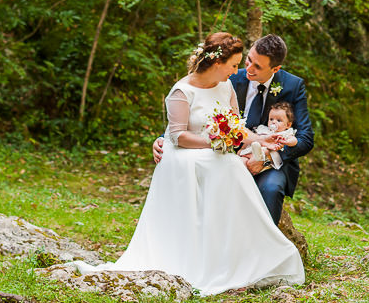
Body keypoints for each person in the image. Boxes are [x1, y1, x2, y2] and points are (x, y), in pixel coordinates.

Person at [75, 32, 304, 296]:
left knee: (230, 166)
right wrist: (215, 143)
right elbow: (177, 136)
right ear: (218, 64)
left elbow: (236, 130)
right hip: (183, 154)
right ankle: (204, 257)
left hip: (214, 150)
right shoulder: (181, 91)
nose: (238, 70)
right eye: (234, 64)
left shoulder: (225, 86)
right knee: (224, 164)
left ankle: (238, 254)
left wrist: (264, 139)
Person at [155, 34, 314, 225]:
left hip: (271, 160)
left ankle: (261, 247)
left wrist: (267, 156)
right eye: (248, 60)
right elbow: (195, 112)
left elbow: (306, 139)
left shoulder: (293, 86)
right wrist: (165, 138)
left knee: (271, 189)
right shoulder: (227, 76)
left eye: (257, 67)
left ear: (275, 69)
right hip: (228, 152)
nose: (248, 69)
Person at [241, 101, 298, 170]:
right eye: (271, 119)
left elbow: (294, 140)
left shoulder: (284, 133)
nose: (273, 122)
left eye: (279, 120)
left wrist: (286, 142)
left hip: (266, 157)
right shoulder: (262, 129)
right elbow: (252, 139)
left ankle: (259, 156)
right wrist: (242, 149)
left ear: (288, 125)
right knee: (242, 163)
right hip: (250, 152)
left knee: (264, 151)